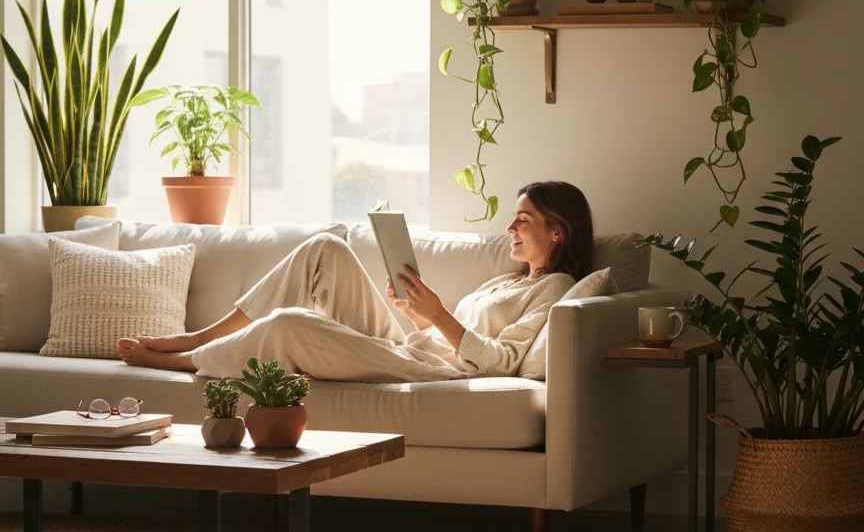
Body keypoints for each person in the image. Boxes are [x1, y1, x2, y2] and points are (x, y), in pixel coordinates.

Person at [117, 180, 594, 382]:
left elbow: (503, 363)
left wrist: (438, 316)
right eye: (512, 219)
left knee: (291, 324)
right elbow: (442, 332)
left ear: (557, 231)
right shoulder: (502, 282)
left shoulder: (553, 288)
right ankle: (203, 334)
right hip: (412, 346)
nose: (510, 229)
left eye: (523, 220)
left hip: (436, 374)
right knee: (324, 249)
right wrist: (414, 311)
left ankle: (184, 361)